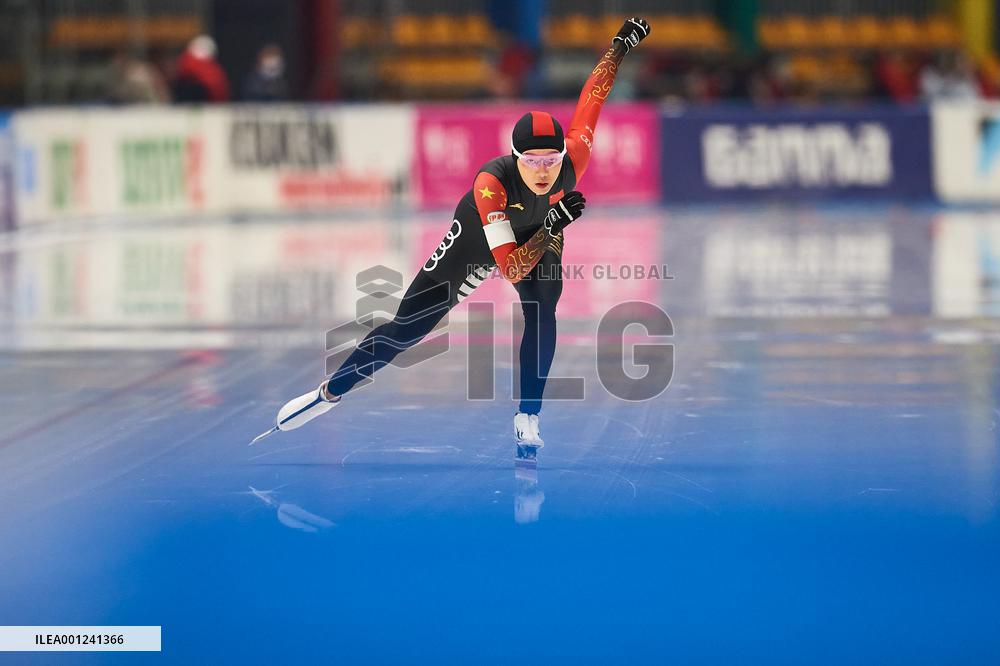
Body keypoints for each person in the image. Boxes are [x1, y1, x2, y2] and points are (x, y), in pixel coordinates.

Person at [259, 18, 651, 451]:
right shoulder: (491, 184)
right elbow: (509, 268)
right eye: (532, 161)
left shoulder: (574, 158)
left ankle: (528, 415)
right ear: (515, 157)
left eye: (551, 160)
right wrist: (553, 223)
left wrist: (618, 47)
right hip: (479, 241)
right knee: (406, 331)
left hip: (541, 229)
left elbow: (593, 95)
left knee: (543, 307)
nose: (543, 171)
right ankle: (329, 393)